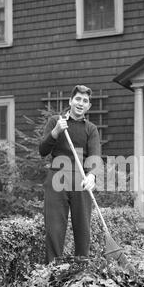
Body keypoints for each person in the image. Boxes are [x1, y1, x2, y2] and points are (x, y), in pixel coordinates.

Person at [39, 85, 101, 262]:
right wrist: (56, 131)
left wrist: (92, 175)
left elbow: (95, 155)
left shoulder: (91, 129)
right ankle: (53, 270)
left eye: (85, 101)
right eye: (78, 99)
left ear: (88, 106)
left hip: (81, 181)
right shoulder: (56, 121)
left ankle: (82, 273)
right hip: (56, 179)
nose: (81, 103)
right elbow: (43, 150)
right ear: (70, 101)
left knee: (83, 229)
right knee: (54, 229)